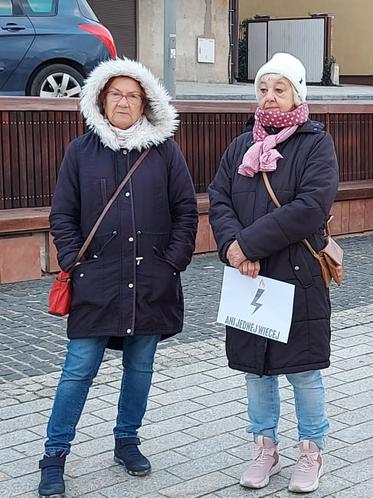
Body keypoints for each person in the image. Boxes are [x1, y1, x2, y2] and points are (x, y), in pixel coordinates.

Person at [38, 59, 198, 498]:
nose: (123, 102)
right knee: (77, 370)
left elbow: (186, 210)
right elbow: (63, 215)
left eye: (132, 95)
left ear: (145, 102)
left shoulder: (164, 151)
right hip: (96, 283)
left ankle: (127, 440)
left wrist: (173, 261)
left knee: (140, 367)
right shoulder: (80, 152)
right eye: (116, 94)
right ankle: (54, 455)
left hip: (151, 282)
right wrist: (74, 261)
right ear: (101, 99)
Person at [208, 52, 338, 493]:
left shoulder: (315, 143)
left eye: (279, 89)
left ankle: (311, 450)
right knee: (257, 370)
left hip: (298, 276)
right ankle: (265, 446)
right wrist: (231, 247)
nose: (269, 98)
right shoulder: (240, 145)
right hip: (249, 276)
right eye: (263, 89)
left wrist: (248, 243)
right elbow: (219, 197)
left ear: (297, 93)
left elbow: (310, 208)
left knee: (304, 371)